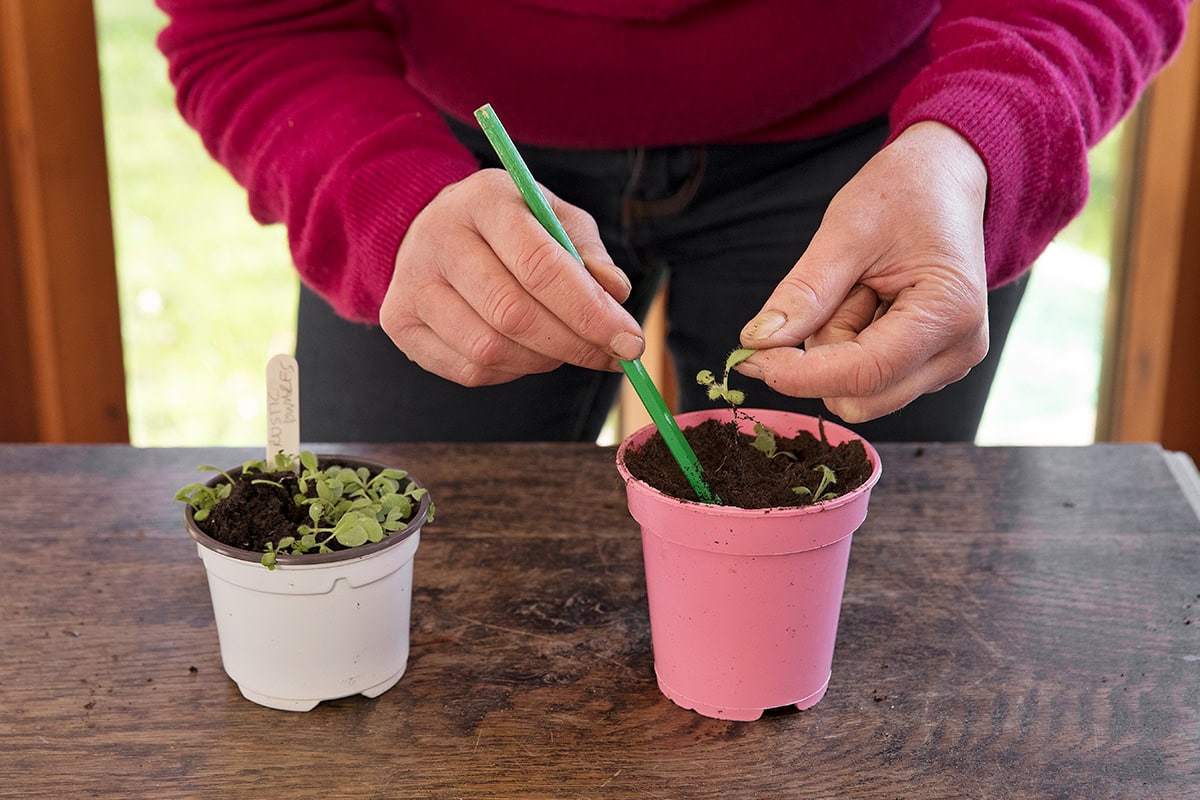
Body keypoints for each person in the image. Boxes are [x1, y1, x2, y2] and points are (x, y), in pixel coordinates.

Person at [156, 1, 1189, 442]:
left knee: (852, 619)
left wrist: (977, 145)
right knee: (408, 597)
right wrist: (380, 194)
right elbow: (258, 23)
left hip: (882, 150)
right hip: (436, 167)